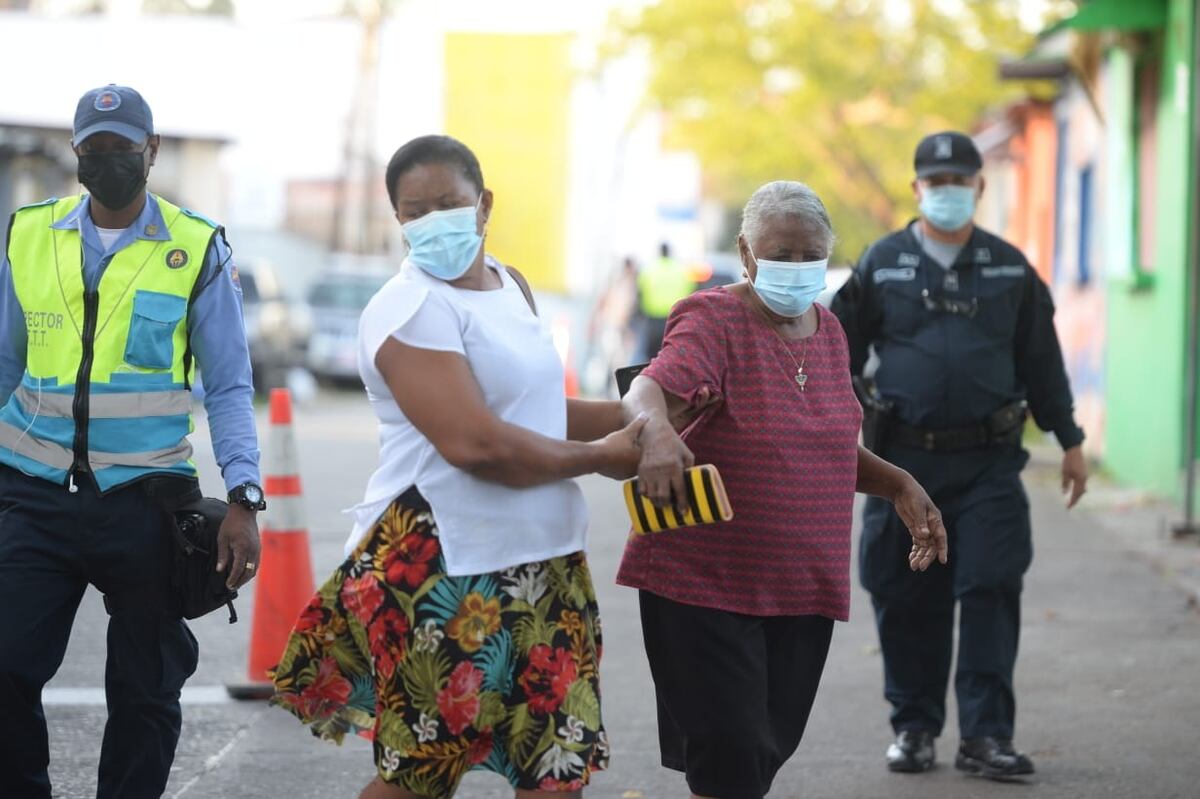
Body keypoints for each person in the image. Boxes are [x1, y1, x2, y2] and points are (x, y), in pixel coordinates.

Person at [270, 134, 646, 799]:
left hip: (549, 564)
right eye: (416, 210)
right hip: (439, 569)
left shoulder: (511, 284)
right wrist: (601, 458)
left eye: (450, 203)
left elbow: (536, 414)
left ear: (484, 203)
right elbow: (477, 444)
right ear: (398, 221)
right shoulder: (408, 307)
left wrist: (638, 416)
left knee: (557, 770)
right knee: (421, 777)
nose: (434, 221)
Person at [618, 180, 948, 799]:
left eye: (809, 255)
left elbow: (826, 448)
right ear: (746, 254)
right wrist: (657, 431)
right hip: (706, 584)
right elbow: (647, 389)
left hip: (802, 586)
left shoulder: (829, 332)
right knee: (733, 758)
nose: (795, 269)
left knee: (763, 753)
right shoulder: (711, 318)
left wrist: (899, 484)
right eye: (780, 254)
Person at [0, 84, 263, 798]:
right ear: (77, 153)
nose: (111, 160)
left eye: (126, 148)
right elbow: (6, 363)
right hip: (34, 491)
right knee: (5, 666)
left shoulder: (195, 246)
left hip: (146, 502)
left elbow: (232, 386)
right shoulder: (29, 233)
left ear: (151, 151)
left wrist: (244, 495)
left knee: (146, 693)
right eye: (97, 149)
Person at [831, 131, 1089, 780]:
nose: (947, 192)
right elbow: (835, 352)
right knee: (904, 593)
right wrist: (830, 432)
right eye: (935, 181)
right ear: (916, 189)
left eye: (959, 181)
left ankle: (985, 735)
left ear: (978, 187)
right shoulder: (881, 263)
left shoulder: (1008, 267)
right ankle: (914, 727)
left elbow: (1041, 360)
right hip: (903, 464)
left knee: (991, 589)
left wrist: (1070, 440)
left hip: (988, 464)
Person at [635, 242, 694, 361]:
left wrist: (639, 313)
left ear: (659, 252)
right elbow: (691, 291)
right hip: (675, 319)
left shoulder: (649, 269)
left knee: (650, 358)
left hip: (653, 319)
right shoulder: (680, 269)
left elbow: (640, 292)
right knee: (672, 355)